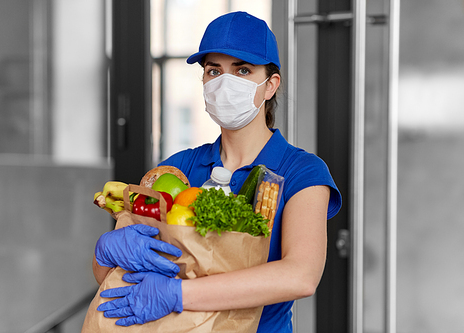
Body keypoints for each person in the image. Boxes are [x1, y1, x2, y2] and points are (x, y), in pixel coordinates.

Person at [92, 11, 342, 332]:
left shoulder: (301, 172)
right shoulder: (178, 169)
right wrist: (106, 253)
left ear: (270, 86)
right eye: (214, 70)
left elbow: (300, 276)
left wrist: (177, 294)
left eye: (243, 70)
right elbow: (112, 278)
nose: (225, 82)